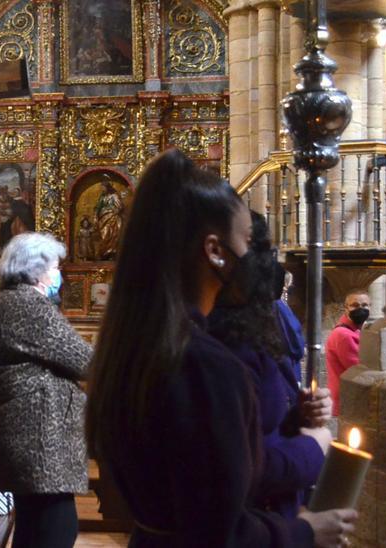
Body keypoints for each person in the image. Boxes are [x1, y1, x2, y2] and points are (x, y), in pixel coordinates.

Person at [86, 149, 355, 547]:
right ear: (214, 251)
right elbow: (219, 534)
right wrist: (304, 531)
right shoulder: (204, 365)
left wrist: (288, 422)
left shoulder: (133, 348)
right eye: (246, 240)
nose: (254, 256)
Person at [208, 212, 332, 524]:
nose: (265, 264)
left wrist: (297, 417)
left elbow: (259, 422)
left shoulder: (249, 324)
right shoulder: (214, 346)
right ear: (215, 253)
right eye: (255, 248)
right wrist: (313, 448)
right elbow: (233, 470)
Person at [0, 232, 92, 548]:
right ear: (36, 270)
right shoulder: (28, 306)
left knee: (36, 529)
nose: (59, 274)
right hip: (37, 441)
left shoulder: (7, 302)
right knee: (56, 529)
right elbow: (86, 362)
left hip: (27, 439)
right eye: (56, 267)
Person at [327, 290, 370, 416]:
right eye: (355, 305)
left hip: (351, 396)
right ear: (346, 308)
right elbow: (357, 369)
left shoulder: (355, 330)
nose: (360, 308)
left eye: (365, 305)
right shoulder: (343, 335)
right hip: (347, 397)